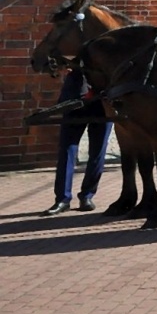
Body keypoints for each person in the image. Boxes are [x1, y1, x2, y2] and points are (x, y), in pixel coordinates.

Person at [44, 68, 109, 214]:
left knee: (97, 151)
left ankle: (87, 195)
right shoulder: (70, 46)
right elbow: (52, 60)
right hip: (75, 98)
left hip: (103, 101)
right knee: (67, 149)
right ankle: (62, 199)